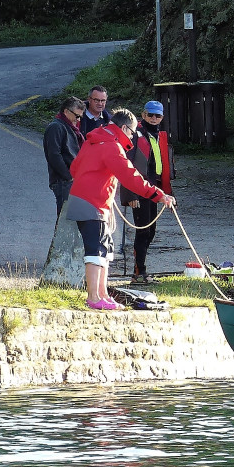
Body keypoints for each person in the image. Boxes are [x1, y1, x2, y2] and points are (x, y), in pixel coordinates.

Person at [64, 109, 175, 311]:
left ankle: (103, 294)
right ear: (124, 128)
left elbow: (74, 168)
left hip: (94, 201)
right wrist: (159, 195)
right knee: (96, 250)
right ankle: (94, 297)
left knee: (104, 249)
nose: (133, 136)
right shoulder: (111, 146)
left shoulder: (93, 141)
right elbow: (130, 176)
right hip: (93, 202)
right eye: (132, 132)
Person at [119, 101, 174, 281]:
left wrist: (166, 193)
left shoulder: (160, 136)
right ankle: (139, 272)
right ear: (143, 115)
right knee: (142, 231)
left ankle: (140, 269)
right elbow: (126, 165)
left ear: (162, 118)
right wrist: (130, 195)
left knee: (151, 232)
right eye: (150, 115)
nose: (153, 119)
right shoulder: (136, 135)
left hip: (155, 190)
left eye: (157, 116)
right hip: (139, 190)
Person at [43, 97, 86, 214]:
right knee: (65, 219)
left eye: (80, 117)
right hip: (63, 181)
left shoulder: (70, 128)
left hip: (72, 180)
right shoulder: (56, 127)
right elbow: (54, 155)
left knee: (73, 217)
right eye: (76, 116)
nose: (78, 120)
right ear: (66, 111)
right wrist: (68, 176)